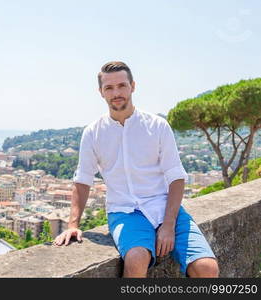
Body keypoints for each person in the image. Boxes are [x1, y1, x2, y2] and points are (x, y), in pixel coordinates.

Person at [53, 61, 219, 278]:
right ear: (101, 92)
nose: (116, 93)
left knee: (207, 268)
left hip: (166, 208)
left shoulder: (158, 126)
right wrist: (73, 224)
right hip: (124, 212)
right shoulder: (93, 133)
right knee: (136, 258)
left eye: (122, 85)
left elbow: (176, 177)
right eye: (109, 88)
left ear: (133, 86)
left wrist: (168, 225)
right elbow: (83, 179)